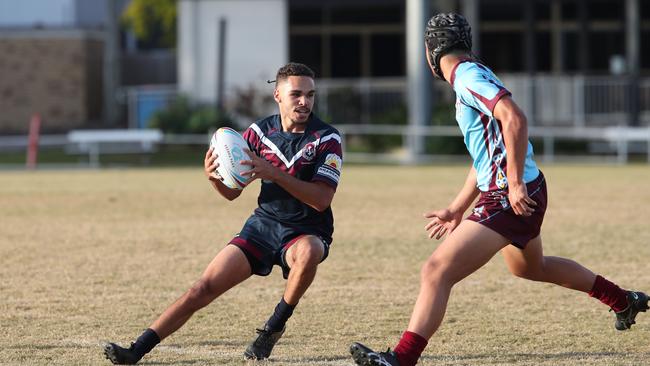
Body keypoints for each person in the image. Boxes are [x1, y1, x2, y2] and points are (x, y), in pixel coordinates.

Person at [349, 13, 648, 366]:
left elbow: (514, 118)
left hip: (510, 193)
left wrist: (516, 181)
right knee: (530, 267)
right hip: (517, 188)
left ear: (430, 51)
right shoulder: (473, 74)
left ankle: (402, 359)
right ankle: (623, 299)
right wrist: (458, 208)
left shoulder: (467, 76)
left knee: (436, 270)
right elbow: (487, 154)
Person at [103, 62, 343, 364]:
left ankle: (273, 328)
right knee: (201, 288)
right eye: (296, 94)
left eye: (310, 95)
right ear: (278, 95)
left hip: (307, 230)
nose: (304, 102)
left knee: (309, 251)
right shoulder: (258, 133)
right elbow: (233, 193)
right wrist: (215, 177)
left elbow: (321, 199)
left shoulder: (326, 138)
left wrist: (275, 173)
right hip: (263, 226)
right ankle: (136, 350)